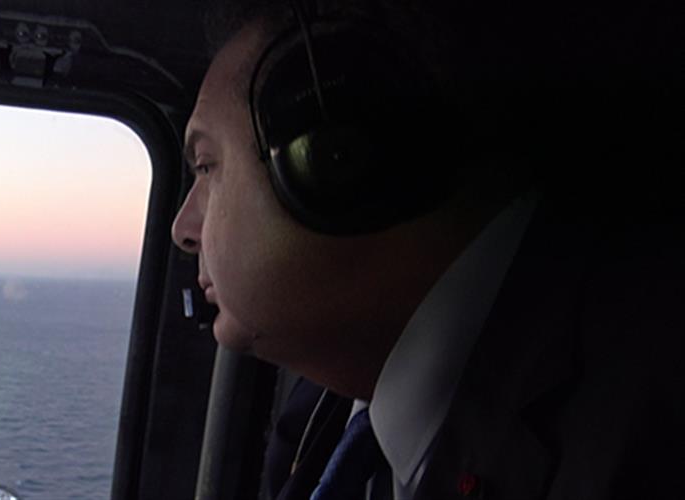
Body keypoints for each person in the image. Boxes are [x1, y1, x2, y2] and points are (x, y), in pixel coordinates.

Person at [171, 0, 684, 499]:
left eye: (208, 166)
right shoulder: (319, 413)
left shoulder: (644, 434)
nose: (182, 229)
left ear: (337, 164)